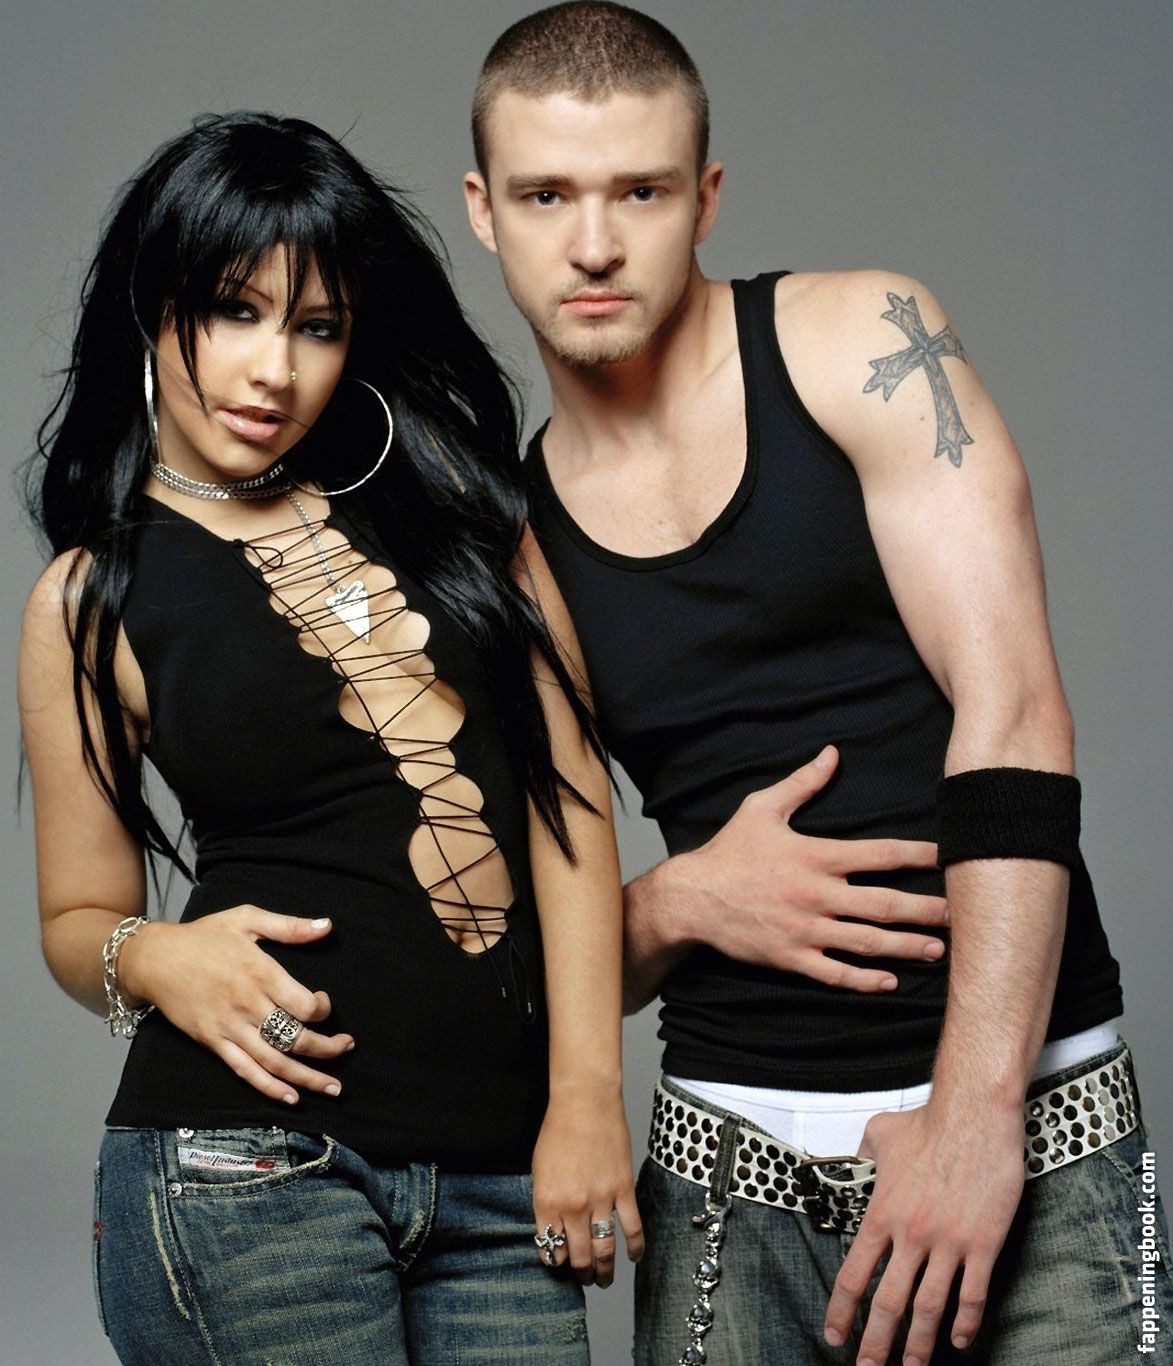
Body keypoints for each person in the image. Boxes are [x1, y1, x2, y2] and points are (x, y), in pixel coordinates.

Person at [463, 4, 1171, 1363]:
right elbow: (524, 934)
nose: (594, 242)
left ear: (706, 195)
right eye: (547, 195)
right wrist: (679, 899)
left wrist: (973, 1118)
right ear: (486, 211)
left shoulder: (860, 338)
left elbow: (1015, 707)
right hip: (730, 1168)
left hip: (1028, 1122)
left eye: (640, 191)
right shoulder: (512, 543)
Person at [19, 110, 643, 1365]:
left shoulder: (458, 506)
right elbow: (77, 917)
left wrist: (585, 1092)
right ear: (151, 307)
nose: (274, 370)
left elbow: (568, 796)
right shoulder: (90, 599)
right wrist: (158, 957)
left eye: (316, 326)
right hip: (245, 1166)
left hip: (496, 1180)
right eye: (233, 311)